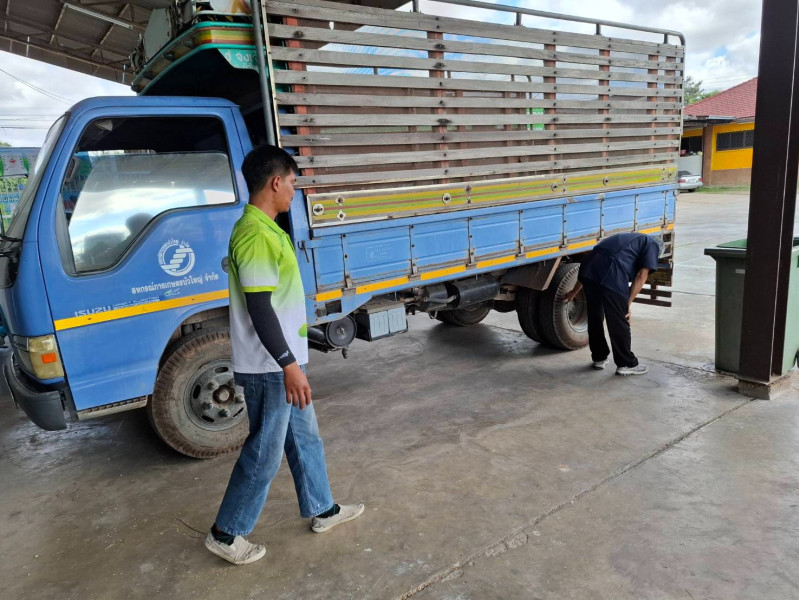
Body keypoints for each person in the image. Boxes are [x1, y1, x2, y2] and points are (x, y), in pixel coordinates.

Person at [205, 145, 364, 565]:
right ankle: (226, 533)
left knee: (305, 437)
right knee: (265, 452)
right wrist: (289, 365)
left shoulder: (266, 228)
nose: (295, 191)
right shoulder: (256, 234)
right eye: (293, 182)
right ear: (276, 182)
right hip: (270, 366)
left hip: (282, 361)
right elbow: (260, 307)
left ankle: (322, 508)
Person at [563, 232, 661, 376]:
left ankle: (599, 358)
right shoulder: (652, 244)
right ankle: (626, 363)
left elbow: (594, 265)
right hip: (611, 272)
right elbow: (641, 275)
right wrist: (627, 304)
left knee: (594, 316)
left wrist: (573, 292)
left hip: (588, 269)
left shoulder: (629, 239)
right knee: (620, 319)